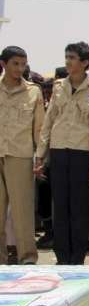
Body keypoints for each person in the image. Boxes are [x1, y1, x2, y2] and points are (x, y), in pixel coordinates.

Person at [35, 41, 89, 265]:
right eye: (67, 57)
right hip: (58, 150)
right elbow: (49, 120)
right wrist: (41, 154)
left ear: (84, 63)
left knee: (79, 207)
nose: (68, 61)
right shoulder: (58, 86)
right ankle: (62, 257)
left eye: (72, 58)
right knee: (60, 206)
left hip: (82, 151)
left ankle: (77, 258)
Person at [0, 46, 44, 265]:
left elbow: (39, 128)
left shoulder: (33, 91)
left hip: (20, 154)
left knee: (22, 211)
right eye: (15, 63)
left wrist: (40, 156)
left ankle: (27, 257)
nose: (20, 68)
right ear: (3, 64)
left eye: (23, 64)